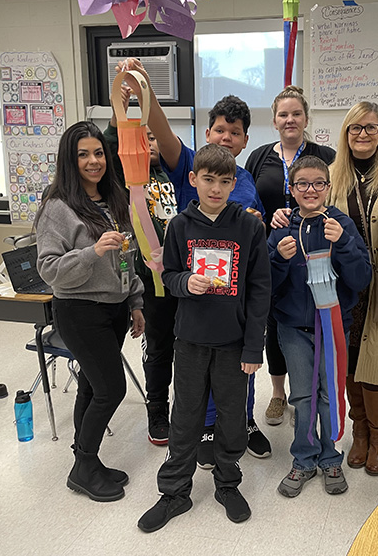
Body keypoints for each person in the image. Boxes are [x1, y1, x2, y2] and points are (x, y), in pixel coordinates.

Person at [118, 58, 272, 464]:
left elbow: (255, 244)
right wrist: (145, 91)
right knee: (193, 368)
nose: (225, 137)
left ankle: (243, 422)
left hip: (233, 301)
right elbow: (163, 132)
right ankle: (203, 430)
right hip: (191, 292)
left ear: (243, 142)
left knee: (241, 367)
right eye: (219, 129)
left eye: (234, 133)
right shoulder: (190, 162)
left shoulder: (245, 181)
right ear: (207, 134)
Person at [272, 102, 378, 475]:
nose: (363, 134)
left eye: (371, 127)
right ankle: (359, 433)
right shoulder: (333, 173)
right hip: (336, 290)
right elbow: (305, 210)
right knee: (347, 362)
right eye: (355, 128)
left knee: (377, 363)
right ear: (345, 133)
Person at [138, 144, 270, 532]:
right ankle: (175, 491)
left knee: (231, 418)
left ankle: (227, 484)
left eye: (224, 181)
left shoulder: (248, 227)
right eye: (208, 179)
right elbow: (169, 275)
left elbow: (261, 288)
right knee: (185, 417)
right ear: (193, 180)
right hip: (191, 341)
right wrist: (184, 281)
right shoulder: (180, 225)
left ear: (234, 184)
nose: (216, 188)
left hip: (233, 344)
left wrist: (253, 347)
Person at [36, 121, 145, 502]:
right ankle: (83, 465)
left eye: (98, 152)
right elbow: (49, 269)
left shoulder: (113, 199)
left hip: (114, 310)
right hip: (80, 311)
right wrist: (92, 251)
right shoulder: (57, 208)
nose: (93, 161)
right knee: (111, 389)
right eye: (83, 154)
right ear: (70, 159)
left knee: (91, 384)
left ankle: (88, 459)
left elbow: (127, 257)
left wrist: (135, 301)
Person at [268, 156, 371, 497]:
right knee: (302, 396)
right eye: (302, 184)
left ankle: (330, 457)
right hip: (294, 328)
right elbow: (267, 286)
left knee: (330, 395)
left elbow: (360, 278)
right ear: (291, 189)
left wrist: (342, 243)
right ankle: (303, 458)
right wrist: (278, 261)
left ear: (328, 187)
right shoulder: (282, 227)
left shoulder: (341, 224)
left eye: (318, 183)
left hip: (333, 325)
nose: (310, 190)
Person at [245, 86, 335, 426]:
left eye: (296, 113)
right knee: (274, 320)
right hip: (272, 252)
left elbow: (335, 193)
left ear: (306, 118)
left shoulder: (324, 155)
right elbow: (248, 198)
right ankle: (279, 393)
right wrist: (259, 217)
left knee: (306, 320)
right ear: (274, 121)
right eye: (283, 114)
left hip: (313, 251)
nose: (290, 120)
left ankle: (309, 388)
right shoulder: (259, 157)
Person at [103, 84, 178, 446]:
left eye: (152, 138)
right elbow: (109, 140)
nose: (146, 144)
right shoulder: (123, 182)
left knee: (189, 346)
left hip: (183, 277)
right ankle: (157, 409)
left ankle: (186, 407)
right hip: (149, 284)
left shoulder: (174, 176)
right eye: (140, 138)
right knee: (159, 349)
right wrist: (126, 102)